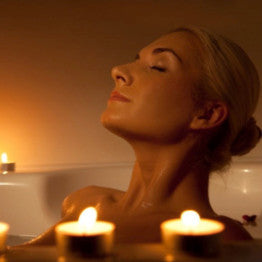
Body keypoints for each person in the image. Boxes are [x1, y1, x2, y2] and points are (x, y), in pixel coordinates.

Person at [22, 25, 261, 245]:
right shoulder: (83, 203)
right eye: (136, 60)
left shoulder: (218, 239)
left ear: (207, 114)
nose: (118, 71)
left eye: (158, 67)